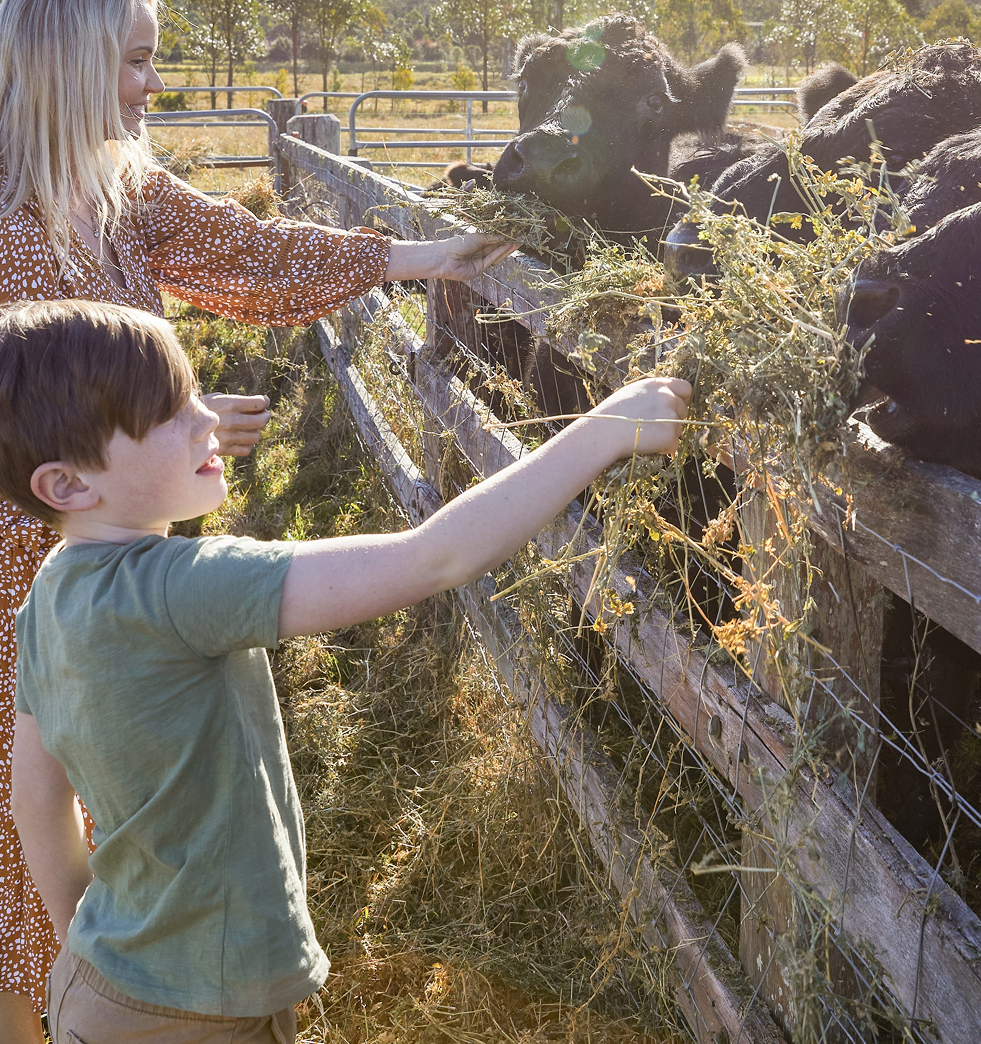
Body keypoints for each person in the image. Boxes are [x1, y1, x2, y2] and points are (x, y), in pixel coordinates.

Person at [0, 0, 515, 1043]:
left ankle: (109, 997)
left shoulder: (122, 188)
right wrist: (130, 462)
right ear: (70, 62)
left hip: (114, 567)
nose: (152, 87)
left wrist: (421, 255)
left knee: (133, 805)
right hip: (34, 576)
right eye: (136, 62)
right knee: (27, 826)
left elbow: (252, 253)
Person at [4, 300, 690, 1044]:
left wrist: (86, 932)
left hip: (97, 988)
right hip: (205, 1007)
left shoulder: (49, 593)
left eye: (195, 392)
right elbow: (433, 556)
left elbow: (34, 796)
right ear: (67, 484)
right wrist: (606, 429)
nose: (207, 420)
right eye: (169, 413)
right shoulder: (181, 586)